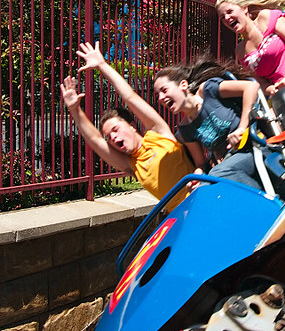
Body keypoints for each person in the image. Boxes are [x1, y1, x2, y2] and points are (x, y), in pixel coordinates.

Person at [60, 42, 194, 208]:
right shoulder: (131, 165)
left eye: (116, 130)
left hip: (202, 199)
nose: (114, 138)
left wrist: (102, 65)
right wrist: (75, 110)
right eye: (109, 137)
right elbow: (94, 139)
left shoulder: (158, 133)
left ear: (132, 125)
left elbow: (129, 97)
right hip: (182, 217)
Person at [153, 57, 266, 190]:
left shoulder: (207, 90)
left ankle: (269, 207)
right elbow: (200, 164)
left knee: (221, 173)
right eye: (158, 95)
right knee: (203, 189)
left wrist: (241, 128)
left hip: (252, 146)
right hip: (228, 163)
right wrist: (197, 177)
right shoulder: (185, 128)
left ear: (183, 85)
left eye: (164, 90)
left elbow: (251, 86)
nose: (161, 98)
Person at [216, 0, 285, 95]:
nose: (227, 18)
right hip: (281, 90)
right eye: (222, 18)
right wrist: (273, 89)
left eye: (229, 12)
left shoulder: (265, 18)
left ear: (244, 9)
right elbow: (260, 83)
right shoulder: (240, 51)